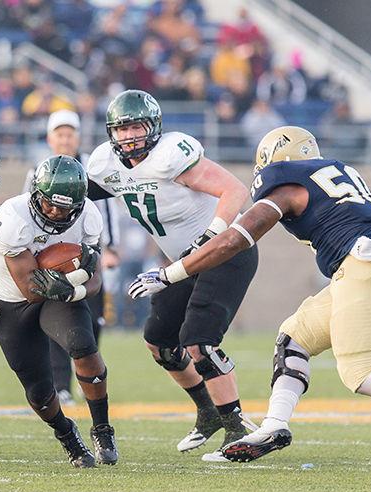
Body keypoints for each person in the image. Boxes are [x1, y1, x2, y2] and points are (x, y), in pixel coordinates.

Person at [129, 126, 371, 476]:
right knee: (294, 338)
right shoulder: (342, 174)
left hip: (363, 265)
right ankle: (274, 425)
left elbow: (232, 241)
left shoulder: (286, 189)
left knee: (362, 371)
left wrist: (169, 273)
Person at [86, 90, 258, 459]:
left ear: (153, 127)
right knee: (159, 341)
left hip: (226, 252)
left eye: (136, 127)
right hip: (182, 260)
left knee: (199, 342)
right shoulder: (106, 165)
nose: (129, 136)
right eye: (122, 129)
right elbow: (79, 196)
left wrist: (212, 234)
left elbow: (234, 189)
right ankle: (207, 411)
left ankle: (236, 426)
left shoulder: (171, 156)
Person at [0, 155, 117, 468]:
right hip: (12, 301)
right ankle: (67, 434)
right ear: (36, 195)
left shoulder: (89, 217)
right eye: (50, 204)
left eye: (65, 207)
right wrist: (74, 279)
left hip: (58, 293)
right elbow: (32, 288)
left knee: (83, 344)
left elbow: (96, 279)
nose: (56, 212)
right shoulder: (13, 220)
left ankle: (102, 428)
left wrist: (77, 286)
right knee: (39, 392)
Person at [23, 110, 120, 406]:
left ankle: (89, 376)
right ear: (51, 139)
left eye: (70, 134)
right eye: (60, 134)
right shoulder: (39, 170)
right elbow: (25, 211)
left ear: (78, 137)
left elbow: (108, 209)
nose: (65, 139)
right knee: (57, 318)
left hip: (88, 253)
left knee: (92, 321)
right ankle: (61, 384)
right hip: (54, 256)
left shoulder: (93, 166)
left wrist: (110, 246)